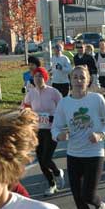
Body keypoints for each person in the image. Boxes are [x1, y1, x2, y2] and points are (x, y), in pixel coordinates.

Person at [51, 66, 105, 209]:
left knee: (88, 194)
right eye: (76, 77)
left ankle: (99, 205)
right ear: (70, 80)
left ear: (88, 81)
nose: (79, 81)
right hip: (74, 154)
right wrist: (59, 135)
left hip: (94, 152)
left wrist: (100, 134)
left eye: (82, 78)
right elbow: (55, 128)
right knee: (77, 196)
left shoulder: (96, 99)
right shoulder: (65, 103)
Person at [22, 66, 65, 196]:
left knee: (47, 158)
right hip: (37, 130)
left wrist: (54, 117)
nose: (38, 79)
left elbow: (63, 108)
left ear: (45, 78)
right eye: (36, 77)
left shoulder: (53, 92)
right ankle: (52, 185)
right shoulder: (31, 93)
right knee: (41, 161)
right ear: (33, 79)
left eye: (41, 76)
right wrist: (27, 115)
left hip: (52, 129)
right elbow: (24, 107)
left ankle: (58, 173)